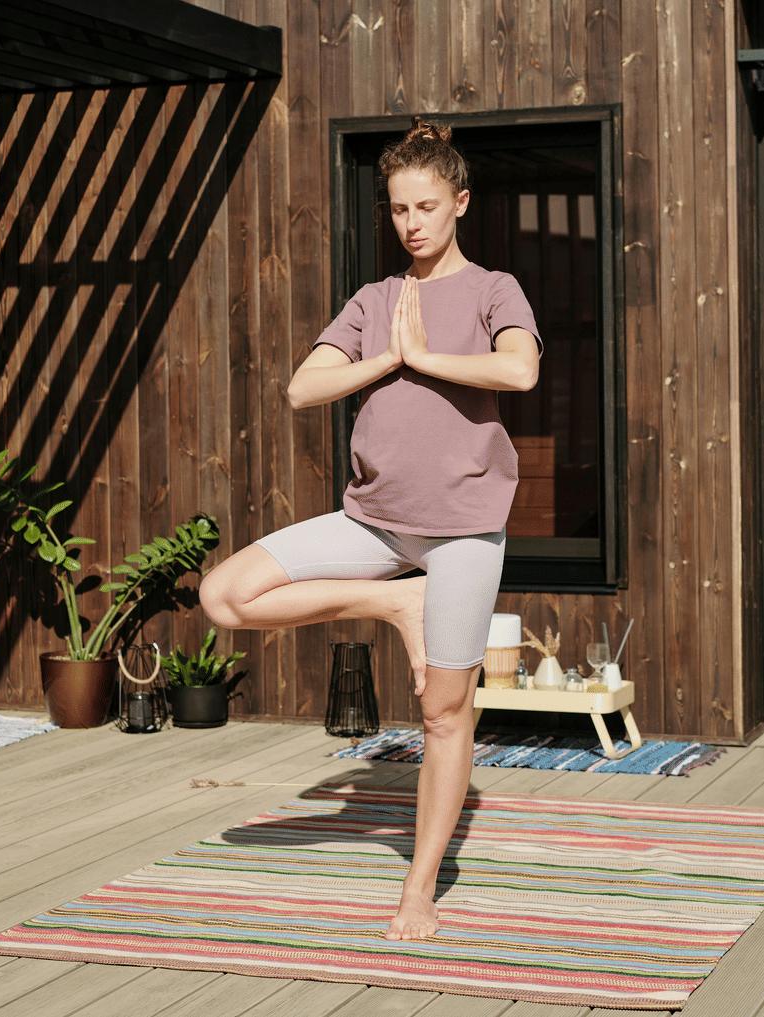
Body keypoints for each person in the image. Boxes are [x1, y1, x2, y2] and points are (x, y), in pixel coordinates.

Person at [198, 118, 541, 941]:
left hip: (462, 531)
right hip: (375, 524)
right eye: (398, 209)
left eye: (426, 205)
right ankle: (395, 608)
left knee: (444, 712)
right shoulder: (375, 301)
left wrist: (423, 358)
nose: (412, 222)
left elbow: (519, 368)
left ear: (459, 202)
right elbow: (301, 390)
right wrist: (387, 357)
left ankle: (418, 887)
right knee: (224, 596)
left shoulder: (495, 288)